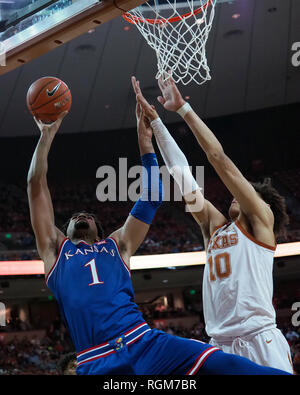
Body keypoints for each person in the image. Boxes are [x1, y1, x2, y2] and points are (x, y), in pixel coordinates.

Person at [27, 97, 290, 376]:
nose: (82, 216)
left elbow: (153, 196)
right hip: (98, 355)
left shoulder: (118, 245)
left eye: (89, 216)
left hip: (145, 341)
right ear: (63, 230)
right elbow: (35, 183)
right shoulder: (55, 249)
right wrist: (45, 137)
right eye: (74, 218)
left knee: (221, 364)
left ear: (100, 230)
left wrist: (146, 145)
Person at [132, 74, 293, 374]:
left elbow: (218, 157)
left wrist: (183, 110)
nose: (237, 194)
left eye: (249, 191)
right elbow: (183, 178)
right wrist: (156, 123)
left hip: (259, 341)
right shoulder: (213, 227)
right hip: (219, 347)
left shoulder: (261, 221)